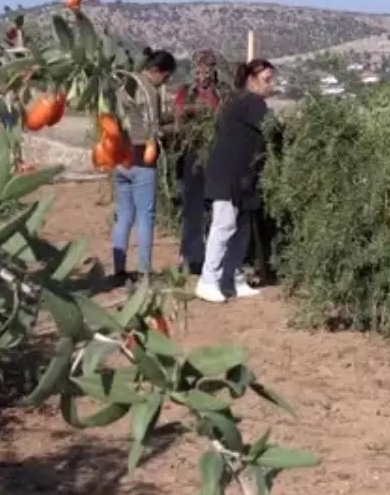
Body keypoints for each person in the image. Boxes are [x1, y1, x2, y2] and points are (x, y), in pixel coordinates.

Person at [196, 58, 277, 303]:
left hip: (244, 178)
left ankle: (234, 278)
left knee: (241, 229)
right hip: (228, 176)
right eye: (267, 80)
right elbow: (272, 129)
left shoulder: (245, 103)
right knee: (224, 226)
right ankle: (208, 280)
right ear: (252, 80)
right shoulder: (251, 103)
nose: (271, 85)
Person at [112, 47, 177, 285]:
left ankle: (119, 270)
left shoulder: (124, 83)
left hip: (120, 158)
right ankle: (145, 272)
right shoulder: (148, 89)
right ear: (157, 71)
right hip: (142, 158)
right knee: (145, 217)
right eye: (166, 77)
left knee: (124, 215)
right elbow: (152, 127)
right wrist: (171, 129)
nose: (165, 82)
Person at [173, 50, 223, 276]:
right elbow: (177, 117)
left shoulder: (220, 94)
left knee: (214, 211)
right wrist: (194, 112)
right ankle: (191, 257)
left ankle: (211, 257)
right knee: (192, 209)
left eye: (208, 69)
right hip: (192, 156)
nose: (203, 74)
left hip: (214, 157)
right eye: (200, 69)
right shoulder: (186, 93)